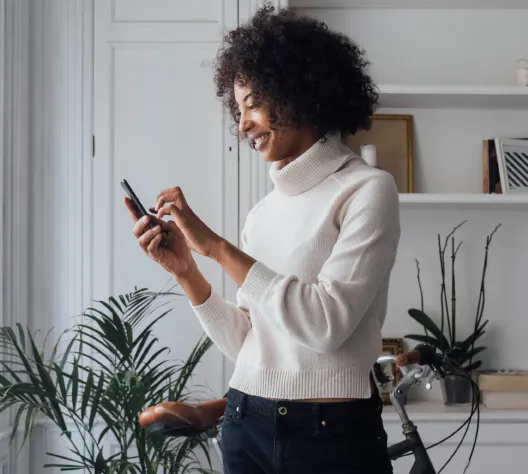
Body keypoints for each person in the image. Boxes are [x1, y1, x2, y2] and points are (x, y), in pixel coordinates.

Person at [125, 5, 399, 474]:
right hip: (246, 419)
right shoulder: (263, 212)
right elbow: (252, 342)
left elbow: (326, 324)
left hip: (332, 433)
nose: (242, 123)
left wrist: (216, 248)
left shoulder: (367, 190)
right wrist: (187, 271)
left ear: (300, 92)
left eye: (253, 103)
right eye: (238, 109)